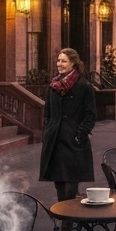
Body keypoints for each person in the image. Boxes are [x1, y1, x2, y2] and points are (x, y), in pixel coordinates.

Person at [39, 48, 97, 209]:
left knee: (71, 183)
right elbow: (48, 114)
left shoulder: (84, 86)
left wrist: (80, 135)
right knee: (59, 181)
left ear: (73, 63)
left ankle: (68, 222)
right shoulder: (53, 86)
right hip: (55, 140)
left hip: (73, 140)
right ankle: (63, 214)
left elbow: (90, 115)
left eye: (63, 61)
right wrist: (47, 131)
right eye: (58, 60)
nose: (59, 64)